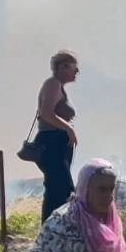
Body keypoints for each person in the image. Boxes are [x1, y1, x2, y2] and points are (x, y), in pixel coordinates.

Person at [35, 50, 79, 223]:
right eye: (74, 68)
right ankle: (52, 232)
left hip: (58, 144)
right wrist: (70, 129)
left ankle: (54, 231)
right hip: (51, 143)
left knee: (57, 190)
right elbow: (45, 113)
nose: (77, 72)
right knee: (62, 190)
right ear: (62, 67)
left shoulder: (57, 85)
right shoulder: (52, 84)